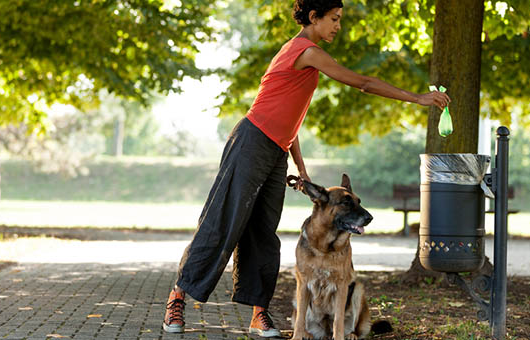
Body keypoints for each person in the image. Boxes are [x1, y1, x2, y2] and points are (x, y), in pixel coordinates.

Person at [163, 0, 451, 336]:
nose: (337, 26)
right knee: (223, 221)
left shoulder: (309, 59)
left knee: (265, 231)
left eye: (339, 20)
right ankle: (178, 298)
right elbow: (363, 83)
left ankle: (259, 312)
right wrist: (417, 98)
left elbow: (291, 117)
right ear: (313, 17)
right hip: (251, 141)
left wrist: (299, 165)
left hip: (275, 150)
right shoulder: (305, 50)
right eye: (333, 19)